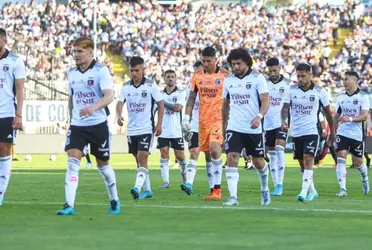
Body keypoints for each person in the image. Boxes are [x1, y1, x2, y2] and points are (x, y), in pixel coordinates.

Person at [57, 37, 119, 216]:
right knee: (72, 161)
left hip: (98, 125)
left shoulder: (101, 71)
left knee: (103, 166)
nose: (75, 55)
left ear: (90, 52)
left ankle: (114, 198)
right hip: (77, 125)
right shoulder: (72, 73)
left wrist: (93, 107)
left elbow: (109, 96)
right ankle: (69, 204)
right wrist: (70, 121)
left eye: (79, 52)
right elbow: (72, 98)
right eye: (74, 51)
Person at [222, 48, 270, 206]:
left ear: (247, 62)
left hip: (253, 128)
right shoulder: (229, 80)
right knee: (232, 156)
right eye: (233, 64)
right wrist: (224, 125)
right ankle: (233, 197)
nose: (236, 67)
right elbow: (225, 105)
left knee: (258, 162)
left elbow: (265, 101)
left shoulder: (258, 78)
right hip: (234, 126)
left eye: (239, 63)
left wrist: (259, 116)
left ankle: (264, 189)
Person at [181, 47, 230, 201]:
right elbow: (191, 98)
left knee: (215, 150)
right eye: (203, 61)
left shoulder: (226, 76)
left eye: (209, 61)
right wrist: (186, 118)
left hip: (219, 120)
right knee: (208, 155)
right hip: (203, 121)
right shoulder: (197, 76)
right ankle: (213, 189)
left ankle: (217, 190)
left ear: (216, 60)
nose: (206, 64)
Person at [281, 63, 335, 202]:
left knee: (308, 158)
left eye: (303, 76)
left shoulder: (319, 91)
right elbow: (285, 108)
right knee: (301, 163)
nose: (300, 79)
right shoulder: (291, 90)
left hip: (312, 130)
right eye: (298, 76)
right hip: (296, 131)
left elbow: (328, 113)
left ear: (310, 74)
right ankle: (313, 191)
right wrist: (283, 120)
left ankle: (303, 192)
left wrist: (332, 131)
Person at [116, 56, 164, 200]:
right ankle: (148, 190)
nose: (134, 73)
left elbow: (160, 104)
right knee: (138, 160)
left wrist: (159, 123)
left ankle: (137, 188)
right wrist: (118, 115)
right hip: (132, 129)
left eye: (137, 70)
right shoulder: (125, 87)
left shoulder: (150, 85)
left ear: (143, 69)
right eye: (132, 71)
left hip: (146, 128)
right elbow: (119, 103)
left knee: (142, 156)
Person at [333, 71, 370, 197]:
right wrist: (332, 132)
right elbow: (336, 116)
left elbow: (364, 116)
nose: (344, 82)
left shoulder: (363, 97)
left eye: (347, 79)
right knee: (341, 158)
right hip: (342, 132)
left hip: (356, 134)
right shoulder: (340, 97)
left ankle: (365, 178)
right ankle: (342, 189)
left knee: (358, 163)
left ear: (355, 80)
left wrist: (348, 119)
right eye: (343, 79)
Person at [0, 28, 26, 206]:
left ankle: (0, 193)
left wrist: (19, 114)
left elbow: (20, 89)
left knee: (3, 150)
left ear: (4, 41)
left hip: (6, 112)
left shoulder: (15, 61)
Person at [183, 61, 214, 193]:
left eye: (199, 71)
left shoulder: (213, 86)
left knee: (209, 156)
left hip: (210, 127)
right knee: (194, 153)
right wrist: (186, 124)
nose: (197, 74)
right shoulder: (189, 89)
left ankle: (213, 187)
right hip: (195, 127)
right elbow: (188, 105)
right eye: (195, 72)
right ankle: (189, 184)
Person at [264, 58, 291, 196]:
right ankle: (275, 185)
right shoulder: (265, 84)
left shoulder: (288, 84)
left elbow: (289, 104)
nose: (272, 73)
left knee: (280, 149)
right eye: (270, 71)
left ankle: (280, 183)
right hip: (268, 122)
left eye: (275, 70)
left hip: (282, 122)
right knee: (272, 154)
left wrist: (285, 119)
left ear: (280, 68)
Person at [157, 69, 187, 188]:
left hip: (176, 130)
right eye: (168, 77)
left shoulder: (180, 92)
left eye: (172, 77)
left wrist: (162, 103)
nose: (170, 79)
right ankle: (166, 181)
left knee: (180, 156)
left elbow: (177, 108)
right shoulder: (159, 94)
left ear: (175, 79)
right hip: (163, 130)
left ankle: (184, 174)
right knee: (164, 153)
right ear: (164, 79)